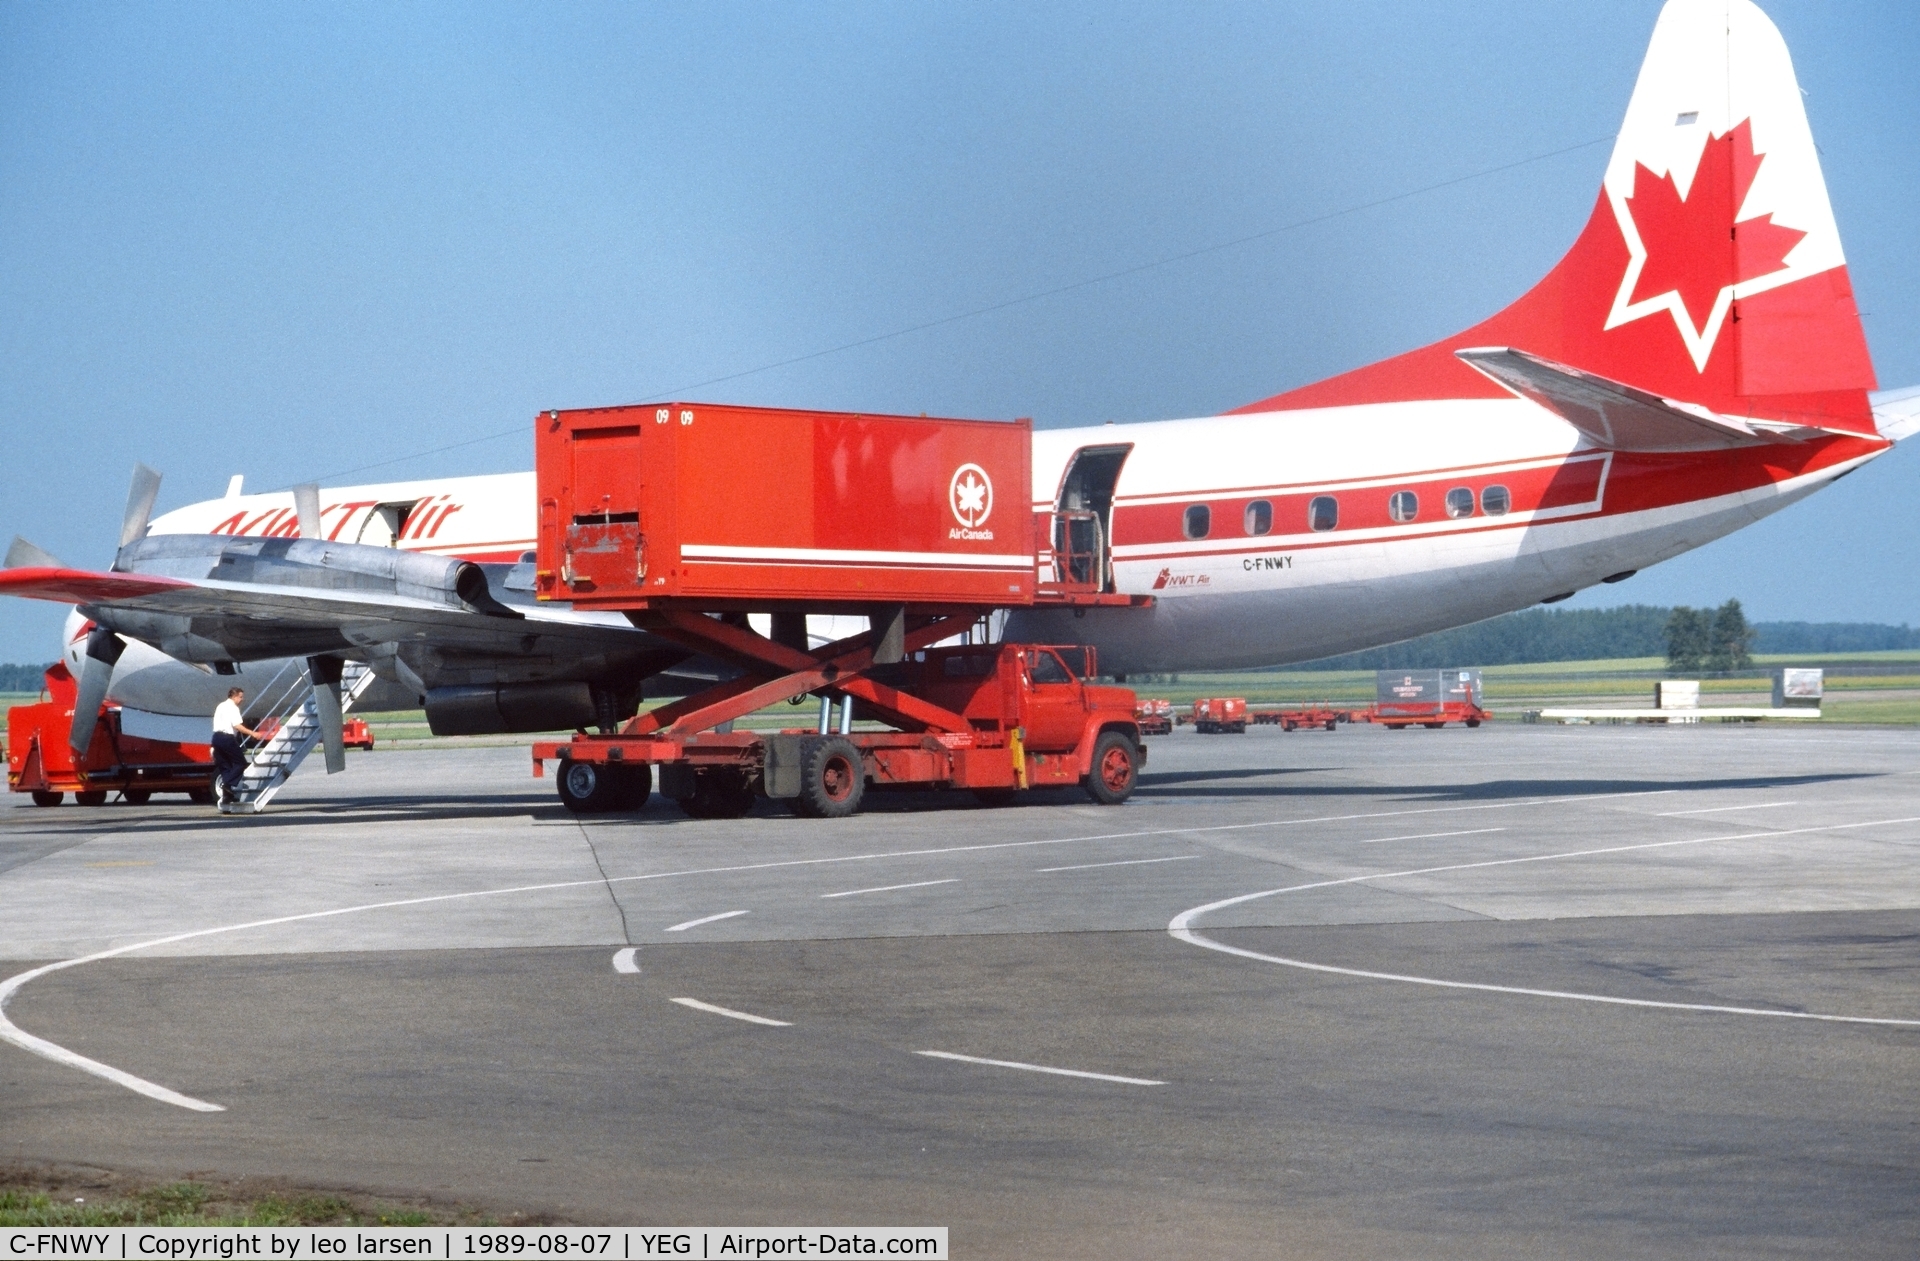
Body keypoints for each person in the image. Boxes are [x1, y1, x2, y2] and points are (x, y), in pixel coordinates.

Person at [210, 686, 261, 807]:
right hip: (227, 738)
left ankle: (227, 796)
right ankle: (226, 784)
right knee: (240, 763)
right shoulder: (233, 708)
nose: (242, 699)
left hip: (216, 737)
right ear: (234, 696)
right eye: (241, 697)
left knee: (225, 766)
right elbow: (237, 725)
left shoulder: (221, 706)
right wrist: (253, 733)